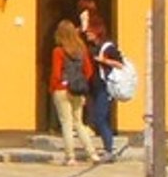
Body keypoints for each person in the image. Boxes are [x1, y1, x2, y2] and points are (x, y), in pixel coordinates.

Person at [49, 18, 104, 165]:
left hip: (62, 89)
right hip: (78, 90)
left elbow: (56, 73)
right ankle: (92, 154)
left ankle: (70, 157)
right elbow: (89, 70)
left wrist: (55, 86)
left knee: (66, 124)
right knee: (79, 123)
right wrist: (79, 82)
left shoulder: (58, 51)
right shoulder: (82, 50)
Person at [84, 18, 124, 160]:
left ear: (97, 31)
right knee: (95, 117)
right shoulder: (92, 47)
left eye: (90, 30)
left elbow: (120, 64)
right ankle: (108, 147)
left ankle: (109, 149)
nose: (87, 33)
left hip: (105, 86)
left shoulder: (108, 47)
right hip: (93, 86)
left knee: (100, 117)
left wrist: (104, 61)